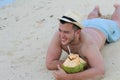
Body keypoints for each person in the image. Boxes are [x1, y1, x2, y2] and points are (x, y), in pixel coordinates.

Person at [46, 4, 120, 80]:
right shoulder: (60, 34)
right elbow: (49, 63)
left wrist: (67, 77)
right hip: (86, 24)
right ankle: (96, 10)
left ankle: (117, 7)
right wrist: (79, 63)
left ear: (78, 32)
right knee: (90, 19)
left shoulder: (88, 45)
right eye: (60, 30)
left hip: (101, 28)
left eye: (66, 32)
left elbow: (100, 71)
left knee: (117, 23)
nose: (61, 35)